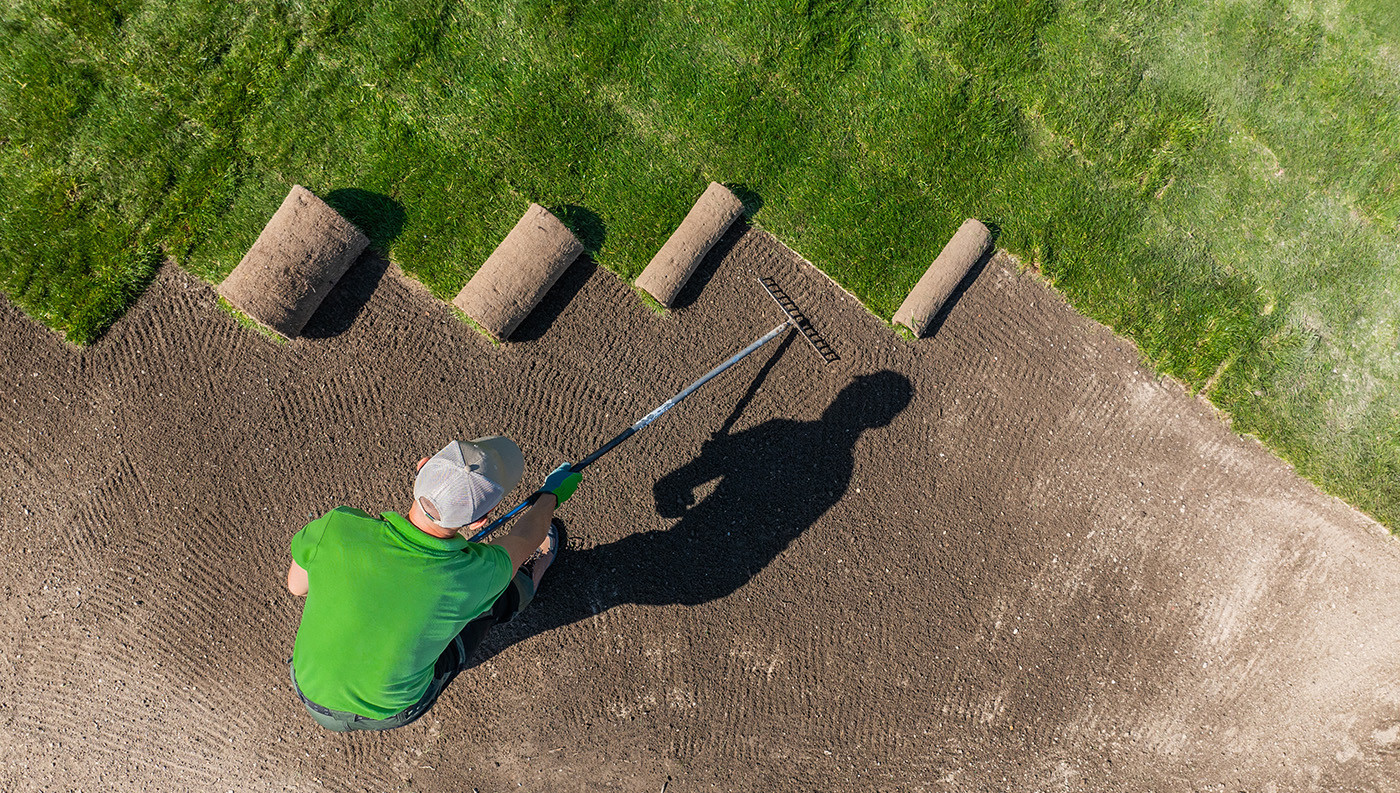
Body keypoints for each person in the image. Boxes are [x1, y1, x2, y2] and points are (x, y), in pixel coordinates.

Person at [284, 436, 580, 732]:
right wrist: (549, 496)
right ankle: (528, 579)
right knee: (499, 594)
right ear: (481, 521)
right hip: (392, 711)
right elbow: (526, 539)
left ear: (421, 467)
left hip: (307, 686)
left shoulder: (338, 526)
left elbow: (297, 587)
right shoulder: (477, 573)